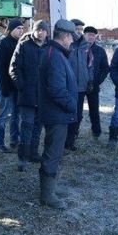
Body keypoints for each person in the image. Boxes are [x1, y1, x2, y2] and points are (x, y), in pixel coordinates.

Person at [37, 19, 79, 209]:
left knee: (55, 151)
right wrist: (72, 105)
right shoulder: (54, 55)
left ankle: (51, 187)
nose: (72, 41)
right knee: (52, 153)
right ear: (65, 36)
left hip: (58, 113)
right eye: (72, 37)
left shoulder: (57, 53)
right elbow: (56, 89)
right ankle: (47, 195)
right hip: (57, 114)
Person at [9, 20, 48, 171]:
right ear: (34, 30)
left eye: (43, 30)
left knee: (38, 126)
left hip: (43, 96)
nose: (41, 33)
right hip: (27, 95)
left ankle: (33, 153)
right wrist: (21, 86)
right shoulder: (24, 45)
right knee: (26, 125)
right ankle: (22, 159)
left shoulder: (49, 48)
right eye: (38, 30)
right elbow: (14, 68)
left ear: (47, 32)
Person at [0, 18, 24, 153]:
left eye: (22, 28)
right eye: (18, 28)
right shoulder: (3, 44)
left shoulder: (20, 44)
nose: (21, 30)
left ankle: (14, 140)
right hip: (7, 87)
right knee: (3, 116)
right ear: (11, 29)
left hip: (18, 87)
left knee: (17, 115)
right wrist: (4, 87)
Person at [65, 18, 93, 151]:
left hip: (81, 86)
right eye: (77, 29)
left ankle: (71, 140)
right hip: (67, 86)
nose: (79, 32)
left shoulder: (85, 45)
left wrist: (90, 80)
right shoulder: (66, 44)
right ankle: (63, 140)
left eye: (81, 29)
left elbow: (90, 65)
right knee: (67, 113)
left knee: (78, 115)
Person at [80, 26, 110, 138]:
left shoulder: (100, 51)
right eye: (89, 34)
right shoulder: (78, 48)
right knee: (77, 111)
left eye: (93, 35)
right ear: (84, 35)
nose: (91, 37)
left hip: (93, 84)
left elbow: (105, 68)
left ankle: (96, 132)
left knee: (94, 109)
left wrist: (97, 81)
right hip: (79, 84)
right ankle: (74, 133)